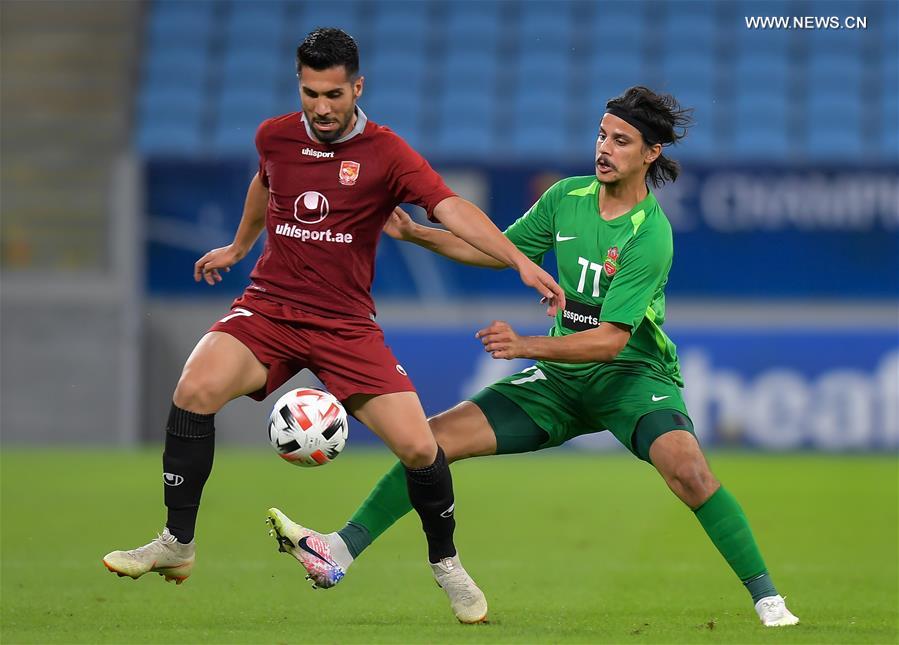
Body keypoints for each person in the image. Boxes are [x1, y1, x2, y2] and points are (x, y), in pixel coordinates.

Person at [272, 86, 800, 628]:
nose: (604, 148)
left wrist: (524, 345)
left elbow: (612, 340)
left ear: (650, 154)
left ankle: (768, 601)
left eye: (621, 141)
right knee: (430, 443)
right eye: (601, 135)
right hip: (559, 382)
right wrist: (417, 234)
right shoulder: (566, 198)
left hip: (633, 379)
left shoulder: (651, 235)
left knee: (689, 473)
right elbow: (499, 250)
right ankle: (338, 550)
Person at [102, 27, 565, 625]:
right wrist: (240, 246)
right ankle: (177, 542)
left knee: (421, 446)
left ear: (357, 87)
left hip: (345, 325)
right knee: (194, 389)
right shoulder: (274, 135)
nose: (321, 107)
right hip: (270, 308)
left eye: (333, 94)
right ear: (300, 85)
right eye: (310, 93)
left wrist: (520, 261)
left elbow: (449, 207)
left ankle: (446, 564)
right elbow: (265, 183)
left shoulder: (387, 152)